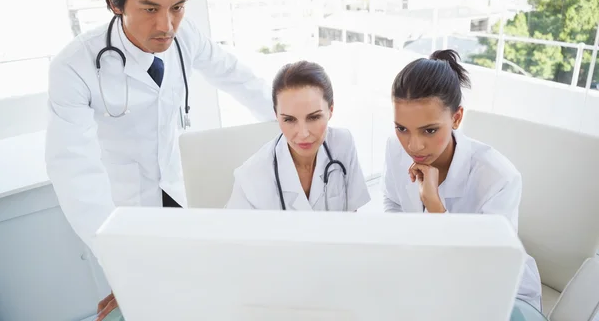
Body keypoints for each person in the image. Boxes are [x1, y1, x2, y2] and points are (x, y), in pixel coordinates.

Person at [44, 0, 273, 320]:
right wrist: (118, 259)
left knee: (204, 300)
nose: (167, 25)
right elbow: (74, 172)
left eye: (178, 7)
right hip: (123, 214)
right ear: (114, 2)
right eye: (150, 9)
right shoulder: (75, 67)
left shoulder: (185, 38)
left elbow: (238, 78)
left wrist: (293, 124)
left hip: (183, 197)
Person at [380, 50, 543, 310]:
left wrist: (434, 205)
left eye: (429, 130)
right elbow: (393, 201)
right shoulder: (394, 147)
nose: (414, 145)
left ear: (456, 118)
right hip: (432, 277)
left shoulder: (499, 178)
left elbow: (484, 267)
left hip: (499, 292)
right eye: (402, 128)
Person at [226, 61, 371, 211]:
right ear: (276, 115)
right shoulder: (250, 177)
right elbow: (236, 233)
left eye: (314, 117)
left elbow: (352, 218)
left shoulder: (343, 143)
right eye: (289, 119)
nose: (303, 134)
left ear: (331, 110)